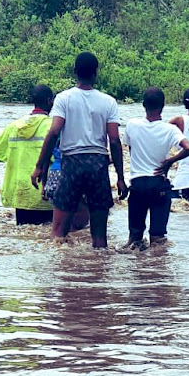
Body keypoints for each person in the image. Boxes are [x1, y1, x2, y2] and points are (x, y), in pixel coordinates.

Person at [31, 52, 128, 249]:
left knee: (58, 235)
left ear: (74, 72)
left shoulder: (63, 98)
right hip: (98, 165)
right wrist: (120, 177)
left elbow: (53, 133)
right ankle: (98, 271)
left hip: (72, 165)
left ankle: (64, 274)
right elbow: (115, 141)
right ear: (96, 73)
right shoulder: (108, 101)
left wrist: (40, 166)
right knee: (100, 238)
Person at [120, 87, 189, 252]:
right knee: (158, 239)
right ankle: (157, 272)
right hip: (158, 185)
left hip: (138, 185)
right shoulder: (170, 129)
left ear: (143, 105)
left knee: (134, 239)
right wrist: (169, 162)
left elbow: (131, 149)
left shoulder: (132, 125)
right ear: (163, 106)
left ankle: (137, 272)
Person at [0, 85, 55, 225]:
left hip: (19, 192)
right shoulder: (52, 127)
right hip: (43, 193)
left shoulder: (14, 126)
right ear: (50, 101)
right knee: (47, 241)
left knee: (23, 237)